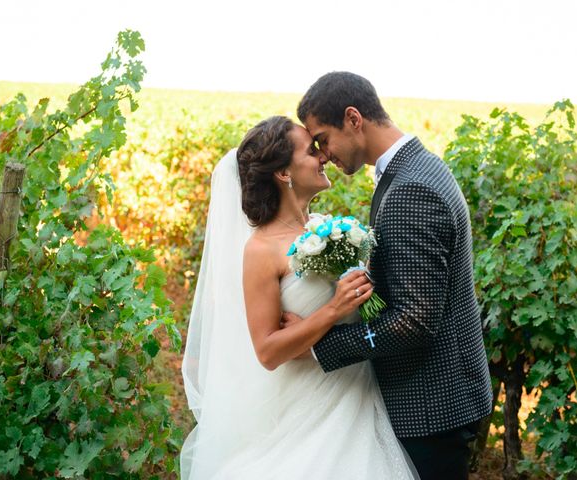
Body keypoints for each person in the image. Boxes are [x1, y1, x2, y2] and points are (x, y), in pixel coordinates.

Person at [181, 116, 417, 479]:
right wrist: (333, 309)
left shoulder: (326, 228)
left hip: (357, 393)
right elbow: (268, 351)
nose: (323, 156)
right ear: (283, 173)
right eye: (311, 150)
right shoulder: (261, 249)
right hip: (307, 407)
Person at [291, 71, 494, 480]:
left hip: (431, 408)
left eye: (323, 138)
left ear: (353, 118)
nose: (323, 154)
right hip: (442, 397)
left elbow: (413, 321)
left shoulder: (409, 189)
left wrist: (318, 346)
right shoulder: (420, 166)